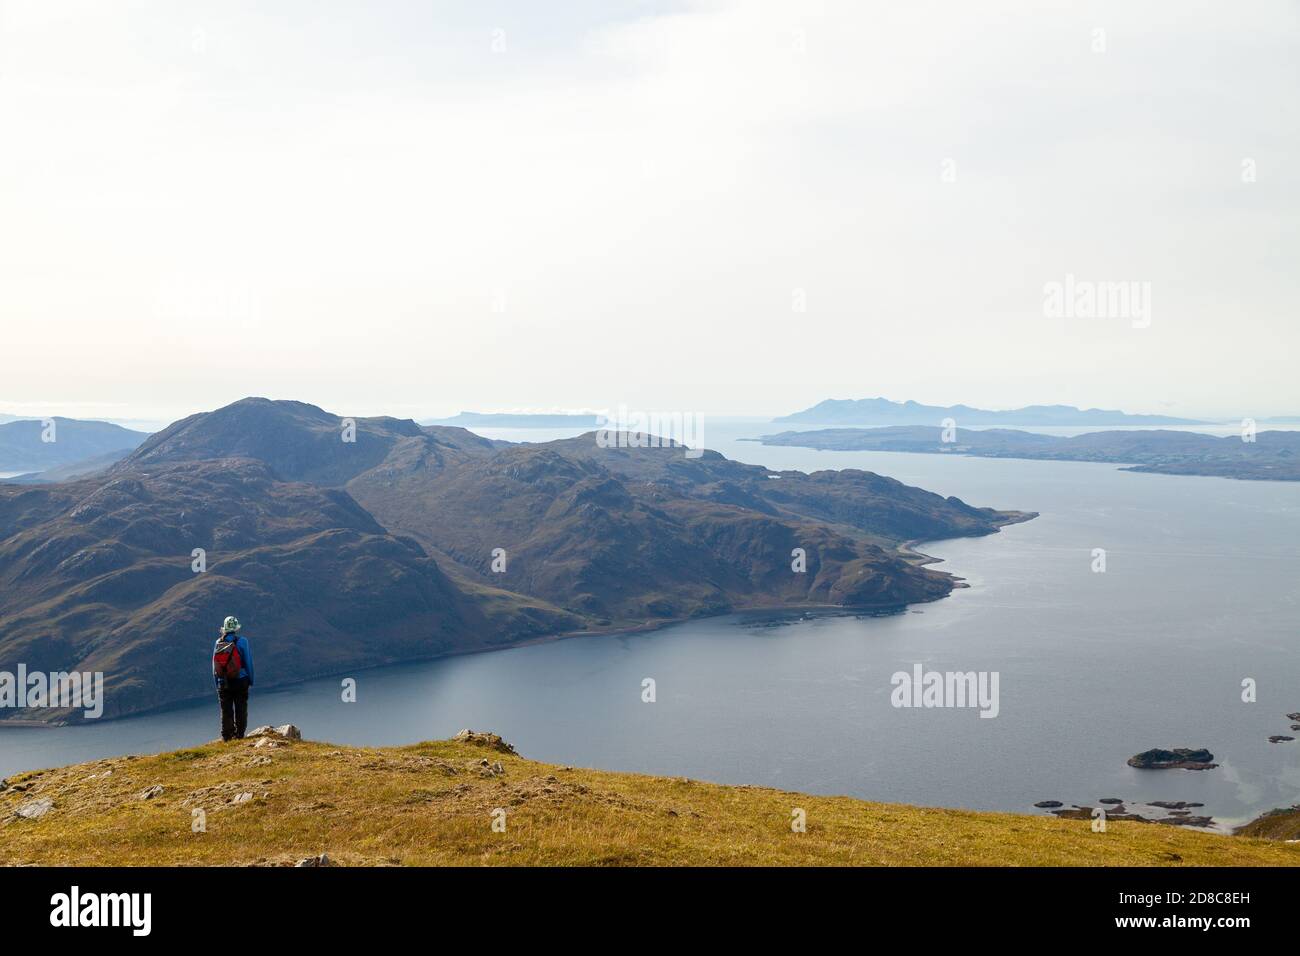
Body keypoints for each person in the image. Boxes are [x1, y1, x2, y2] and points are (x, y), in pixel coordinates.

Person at [212, 616, 254, 741]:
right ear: (236, 629)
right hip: (241, 680)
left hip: (223, 682)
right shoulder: (242, 641)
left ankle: (227, 736)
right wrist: (250, 680)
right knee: (241, 707)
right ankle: (239, 734)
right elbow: (248, 662)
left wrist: (218, 683)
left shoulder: (218, 643)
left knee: (226, 710)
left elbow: (214, 666)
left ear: (224, 629)